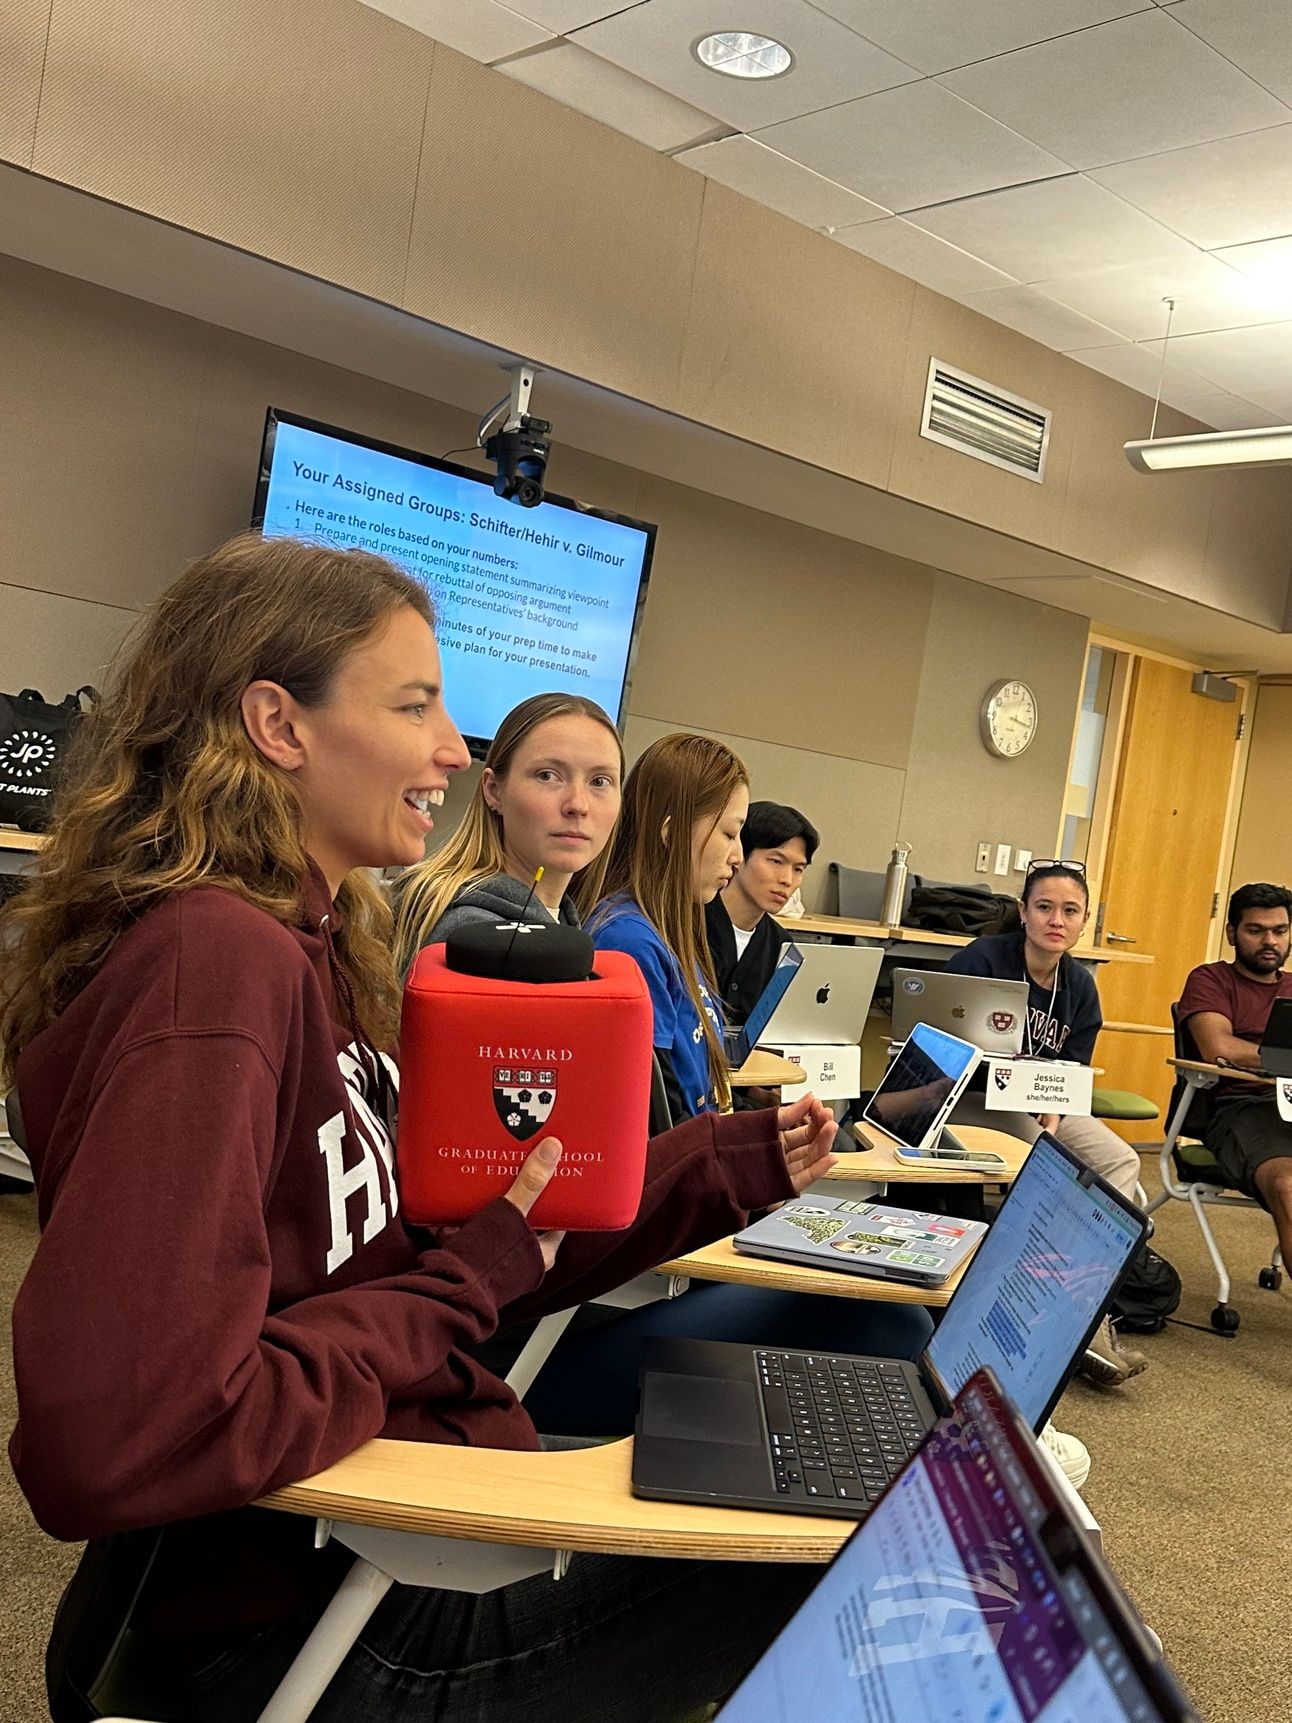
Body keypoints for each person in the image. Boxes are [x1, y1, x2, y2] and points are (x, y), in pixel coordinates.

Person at [2, 534, 849, 1723]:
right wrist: (458, 1290)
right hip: (302, 1626)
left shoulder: (314, 945)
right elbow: (119, 1436)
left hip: (368, 1549)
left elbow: (476, 1246)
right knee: (855, 1571)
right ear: (277, 725)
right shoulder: (215, 970)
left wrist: (730, 1160)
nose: (455, 749)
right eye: (416, 705)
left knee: (845, 1502)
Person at [399, 721, 933, 1436]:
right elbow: (626, 1169)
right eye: (733, 834)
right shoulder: (595, 945)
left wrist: (738, 1156)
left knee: (886, 1310)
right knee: (886, 1320)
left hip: (584, 1282)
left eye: (600, 784)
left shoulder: (618, 937)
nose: (740, 859)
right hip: (558, 1315)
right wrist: (732, 1165)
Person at [945, 859, 1148, 1389]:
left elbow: (1073, 1071)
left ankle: (1078, 1309)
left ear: (1083, 923)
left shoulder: (1079, 987)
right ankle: (1055, 1314)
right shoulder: (983, 960)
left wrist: (1055, 1108)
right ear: (1023, 913)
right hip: (973, 1097)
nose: (1056, 919)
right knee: (1049, 1162)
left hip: (1040, 1104)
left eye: (1070, 910)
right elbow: (940, 1037)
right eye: (1044, 907)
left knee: (1119, 1161)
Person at [391, 690, 623, 971]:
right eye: (547, 775)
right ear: (494, 790)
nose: (578, 804)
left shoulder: (560, 923)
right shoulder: (478, 938)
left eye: (599, 781)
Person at [588, 732, 745, 1124]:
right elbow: (661, 1125)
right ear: (672, 833)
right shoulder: (628, 943)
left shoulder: (664, 934)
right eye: (729, 833)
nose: (738, 856)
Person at [1179, 882, 1292, 1268]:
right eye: (1256, 930)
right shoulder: (1210, 980)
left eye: (1279, 931)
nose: (1270, 941)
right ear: (1231, 933)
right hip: (1240, 1108)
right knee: (1288, 1185)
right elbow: (1219, 1048)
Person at [706, 800, 819, 1027]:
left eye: (798, 869)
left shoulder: (781, 945)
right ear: (739, 855)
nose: (787, 879)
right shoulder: (688, 923)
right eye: (776, 861)